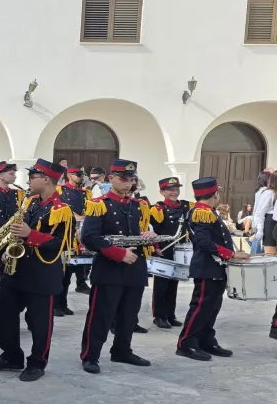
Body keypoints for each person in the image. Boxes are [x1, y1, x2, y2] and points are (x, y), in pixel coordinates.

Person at [0, 159, 71, 382]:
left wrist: (29, 235)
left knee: (40, 322)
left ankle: (37, 362)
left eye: (33, 177)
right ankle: (11, 356)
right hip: (17, 270)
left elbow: (63, 242)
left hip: (42, 273)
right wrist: (7, 247)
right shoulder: (29, 202)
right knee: (3, 312)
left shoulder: (62, 209)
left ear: (46, 180)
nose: (29, 180)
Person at [79, 159, 155, 375]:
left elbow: (137, 234)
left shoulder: (138, 206)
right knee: (101, 315)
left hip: (135, 267)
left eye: (132, 180)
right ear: (111, 178)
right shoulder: (99, 203)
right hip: (109, 268)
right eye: (123, 179)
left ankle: (122, 350)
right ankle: (90, 355)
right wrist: (118, 254)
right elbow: (89, 237)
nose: (128, 184)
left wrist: (147, 236)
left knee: (129, 314)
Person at [177, 177, 247, 361]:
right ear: (215, 194)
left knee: (212, 307)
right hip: (207, 267)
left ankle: (206, 340)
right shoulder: (201, 212)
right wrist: (230, 254)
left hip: (215, 267)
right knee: (201, 307)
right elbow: (203, 242)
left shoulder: (208, 211)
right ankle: (186, 343)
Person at [149, 177, 191, 330]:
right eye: (170, 190)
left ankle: (170, 315)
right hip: (164, 249)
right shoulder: (157, 209)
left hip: (179, 249)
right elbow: (152, 230)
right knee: (161, 284)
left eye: (176, 189)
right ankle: (159, 316)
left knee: (174, 283)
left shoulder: (186, 206)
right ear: (162, 192)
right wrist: (155, 247)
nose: (174, 192)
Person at [55, 166, 92, 317]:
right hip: (67, 233)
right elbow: (57, 207)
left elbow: (90, 207)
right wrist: (73, 214)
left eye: (82, 175)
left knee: (72, 271)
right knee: (62, 273)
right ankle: (57, 305)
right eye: (77, 175)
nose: (80, 177)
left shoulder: (85, 192)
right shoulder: (60, 190)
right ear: (69, 175)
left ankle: (63, 303)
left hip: (80, 233)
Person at [251, 171, 271, 254]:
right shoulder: (265, 191)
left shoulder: (259, 190)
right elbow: (260, 208)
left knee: (257, 240)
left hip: (256, 217)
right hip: (260, 218)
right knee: (259, 242)